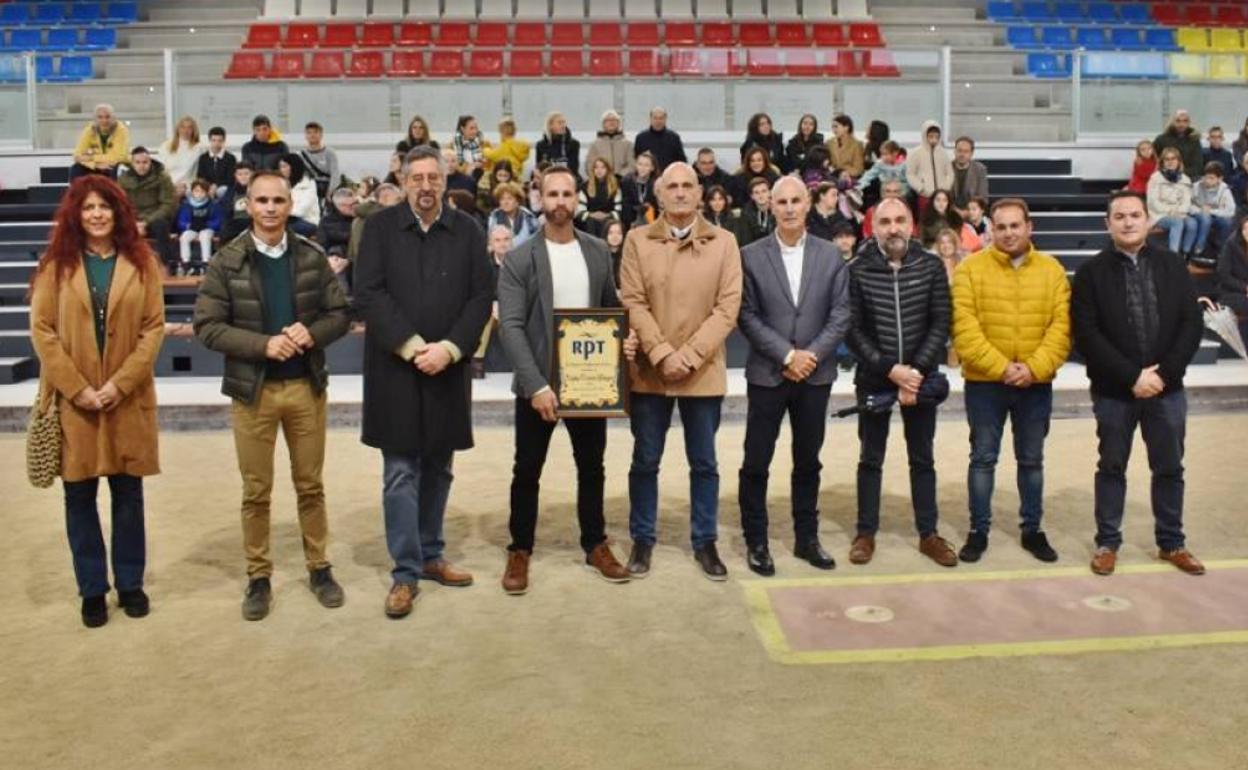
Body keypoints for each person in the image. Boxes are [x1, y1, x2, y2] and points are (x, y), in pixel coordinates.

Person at [193, 170, 352, 621]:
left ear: (289, 205)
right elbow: (207, 326)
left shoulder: (311, 255)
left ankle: (320, 568)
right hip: (253, 394)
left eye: (277, 201)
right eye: (260, 200)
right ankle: (258, 575)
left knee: (311, 486)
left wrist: (311, 332)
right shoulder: (227, 260)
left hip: (305, 386)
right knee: (256, 490)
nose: (269, 208)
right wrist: (261, 345)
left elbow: (339, 314)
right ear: (248, 204)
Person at [353, 146, 494, 618]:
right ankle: (405, 571)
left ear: (445, 178)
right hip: (396, 368)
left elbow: (481, 296)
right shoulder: (378, 229)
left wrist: (450, 349)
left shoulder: (469, 230)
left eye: (435, 177)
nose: (427, 186)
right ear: (404, 179)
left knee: (439, 467)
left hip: (447, 371)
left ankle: (432, 553)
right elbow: (368, 293)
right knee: (400, 473)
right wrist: (414, 347)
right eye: (418, 178)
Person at [29, 175, 165, 628]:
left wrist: (120, 384)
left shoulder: (142, 264)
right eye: (87, 207)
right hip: (76, 401)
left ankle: (130, 583)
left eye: (104, 206)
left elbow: (153, 330)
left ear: (118, 212)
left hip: (127, 398)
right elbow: (43, 331)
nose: (96, 215)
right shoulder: (56, 266)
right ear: (75, 214)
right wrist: (78, 387)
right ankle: (91, 588)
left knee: (128, 493)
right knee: (79, 495)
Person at [496, 166, 632, 594]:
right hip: (539, 385)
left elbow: (610, 309)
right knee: (527, 470)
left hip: (588, 384)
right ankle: (520, 549)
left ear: (577, 200)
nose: (559, 201)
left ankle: (595, 543)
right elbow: (511, 327)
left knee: (592, 468)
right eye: (551, 194)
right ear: (539, 199)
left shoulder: (595, 250)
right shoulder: (520, 258)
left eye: (566, 193)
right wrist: (536, 385)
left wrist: (623, 340)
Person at [618, 162, 743, 581]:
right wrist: (660, 353)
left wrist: (686, 356)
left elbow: (728, 309)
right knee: (645, 461)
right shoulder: (636, 241)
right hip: (651, 373)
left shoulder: (725, 242)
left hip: (702, 371)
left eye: (688, 185)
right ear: (658, 194)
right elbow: (633, 301)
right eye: (671, 185)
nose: (680, 192)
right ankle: (642, 538)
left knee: (704, 462)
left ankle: (705, 541)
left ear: (700, 193)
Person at [1071, 191, 1204, 577]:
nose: (1128, 222)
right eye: (1119, 216)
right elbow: (1087, 336)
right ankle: (1107, 543)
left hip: (1167, 390)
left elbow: (1190, 324)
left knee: (1169, 468)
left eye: (1135, 215)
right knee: (1111, 466)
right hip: (1115, 392)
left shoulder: (1172, 266)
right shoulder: (1090, 274)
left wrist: (1162, 375)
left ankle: (1172, 543)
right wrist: (1132, 377)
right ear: (1107, 224)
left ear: (1148, 220)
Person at [737, 177, 851, 576]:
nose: (788, 208)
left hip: (814, 377)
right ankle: (757, 541)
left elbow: (840, 314)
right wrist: (787, 355)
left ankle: (807, 539)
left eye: (795, 201)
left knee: (808, 462)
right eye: (780, 200)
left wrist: (811, 356)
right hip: (768, 373)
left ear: (808, 205)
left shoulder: (830, 255)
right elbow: (746, 315)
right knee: (756, 462)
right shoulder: (749, 256)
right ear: (771, 205)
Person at [951, 198, 1072, 563]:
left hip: (1035, 384)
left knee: (1032, 460)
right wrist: (1002, 367)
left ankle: (1032, 529)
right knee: (983, 459)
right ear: (991, 230)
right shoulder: (969, 269)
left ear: (1029, 227)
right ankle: (978, 530)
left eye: (1015, 225)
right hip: (985, 383)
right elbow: (964, 328)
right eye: (1000, 227)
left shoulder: (1052, 271)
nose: (1008, 233)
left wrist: (1032, 368)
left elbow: (1061, 328)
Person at [845, 198, 956, 567]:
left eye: (900, 220)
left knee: (922, 458)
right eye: (885, 221)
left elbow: (941, 321)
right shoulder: (857, 269)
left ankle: (928, 534)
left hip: (921, 378)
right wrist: (891, 370)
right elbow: (853, 330)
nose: (893, 228)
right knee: (870, 459)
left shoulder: (931, 266)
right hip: (875, 377)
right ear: (872, 227)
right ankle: (865, 533)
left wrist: (914, 375)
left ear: (912, 224)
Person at [117, 147, 177, 273]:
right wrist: (133, 222)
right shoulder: (123, 180)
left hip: (155, 217)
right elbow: (120, 205)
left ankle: (164, 265)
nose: (141, 166)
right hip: (132, 219)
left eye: (145, 162)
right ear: (132, 163)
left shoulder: (162, 177)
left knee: (161, 225)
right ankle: (121, 267)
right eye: (137, 162)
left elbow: (168, 204)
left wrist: (146, 222)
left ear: (150, 162)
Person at [1147, 147, 1194, 257]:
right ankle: (1173, 257)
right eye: (1167, 159)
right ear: (1162, 162)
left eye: (1173, 158)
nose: (1170, 162)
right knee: (1176, 222)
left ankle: (1185, 254)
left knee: (1193, 224)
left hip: (1180, 213)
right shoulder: (1155, 178)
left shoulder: (1185, 179)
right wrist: (1170, 211)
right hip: (1160, 214)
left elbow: (1187, 201)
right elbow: (1153, 202)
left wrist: (1179, 211)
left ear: (1178, 161)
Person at [173, 178, 222, 275]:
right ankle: (185, 263)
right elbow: (181, 221)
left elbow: (218, 220)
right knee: (184, 237)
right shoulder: (186, 204)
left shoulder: (213, 204)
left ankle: (206, 263)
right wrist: (189, 225)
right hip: (192, 228)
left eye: (202, 191)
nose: (199, 194)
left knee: (204, 236)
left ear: (207, 192)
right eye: (196, 191)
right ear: (192, 192)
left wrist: (207, 225)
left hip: (207, 229)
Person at [1188, 161, 1236, 259]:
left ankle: (1222, 252)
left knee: (1227, 222)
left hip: (1215, 215)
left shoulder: (1224, 190)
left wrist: (1210, 211)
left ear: (1220, 179)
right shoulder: (1196, 186)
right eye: (1206, 177)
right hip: (1198, 214)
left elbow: (1230, 211)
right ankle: (1198, 249)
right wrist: (1201, 211)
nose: (1207, 180)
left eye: (1211, 178)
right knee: (1205, 219)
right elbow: (1188, 204)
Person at [905, 120, 954, 215]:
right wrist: (921, 188)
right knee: (925, 219)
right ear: (925, 135)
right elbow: (910, 174)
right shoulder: (916, 153)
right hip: (925, 196)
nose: (934, 140)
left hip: (941, 197)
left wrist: (946, 188)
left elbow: (950, 173)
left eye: (936, 137)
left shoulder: (943, 153)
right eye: (931, 136)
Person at [70, 104, 130, 180]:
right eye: (100, 117)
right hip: (96, 166)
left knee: (117, 168)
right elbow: (77, 156)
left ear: (113, 118)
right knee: (76, 168)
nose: (104, 120)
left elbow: (119, 157)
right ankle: (78, 191)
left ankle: (113, 191)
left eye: (107, 117)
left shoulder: (121, 130)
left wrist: (91, 157)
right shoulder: (89, 130)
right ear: (95, 119)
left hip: (113, 166)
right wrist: (96, 165)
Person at [347, 182, 402, 264]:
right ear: (385, 197)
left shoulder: (360, 218)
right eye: (397, 198)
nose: (401, 201)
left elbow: (352, 253)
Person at [318, 186, 357, 294]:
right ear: (341, 206)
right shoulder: (328, 221)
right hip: (338, 258)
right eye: (351, 205)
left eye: (356, 203)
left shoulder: (360, 218)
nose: (355, 207)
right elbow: (322, 244)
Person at [156, 115, 205, 195]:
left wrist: (186, 186)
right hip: (168, 186)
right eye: (182, 127)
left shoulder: (199, 148)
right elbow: (160, 170)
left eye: (189, 128)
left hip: (188, 188)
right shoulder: (166, 146)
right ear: (178, 129)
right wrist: (172, 186)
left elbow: (199, 174)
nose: (186, 130)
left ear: (194, 130)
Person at [575, 157, 621, 237]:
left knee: (607, 223)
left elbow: (619, 211)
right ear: (593, 170)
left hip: (609, 219)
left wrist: (606, 215)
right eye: (596, 167)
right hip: (589, 221)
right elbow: (579, 212)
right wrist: (592, 215)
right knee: (591, 222)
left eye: (602, 167)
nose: (599, 170)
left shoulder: (615, 187)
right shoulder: (584, 187)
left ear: (608, 169)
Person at [1153, 109, 1203, 181]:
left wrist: (1179, 173)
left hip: (1188, 178)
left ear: (1189, 123)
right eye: (1178, 121)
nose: (1181, 124)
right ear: (1173, 122)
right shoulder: (1161, 139)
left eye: (1185, 121)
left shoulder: (1194, 140)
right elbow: (1153, 159)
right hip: (1165, 177)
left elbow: (1198, 166)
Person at [278, 153, 321, 237]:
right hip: (287, 219)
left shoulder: (308, 184)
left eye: (284, 166)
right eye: (280, 167)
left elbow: (300, 211)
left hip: (308, 222)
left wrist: (279, 212)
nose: (281, 170)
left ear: (293, 167)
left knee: (277, 228)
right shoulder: (282, 184)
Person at [633, 107, 687, 172]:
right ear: (650, 119)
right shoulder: (641, 138)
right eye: (655, 118)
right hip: (648, 178)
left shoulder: (674, 138)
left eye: (661, 118)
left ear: (665, 119)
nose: (658, 121)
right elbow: (636, 159)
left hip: (668, 176)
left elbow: (681, 161)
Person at [487, 181, 540, 247]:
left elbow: (537, 243)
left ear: (517, 201)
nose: (505, 202)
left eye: (510, 198)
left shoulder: (528, 217)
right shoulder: (494, 217)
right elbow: (491, 243)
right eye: (502, 199)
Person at [586, 109, 634, 179]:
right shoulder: (595, 145)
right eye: (608, 120)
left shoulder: (627, 144)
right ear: (603, 124)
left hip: (622, 182)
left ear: (618, 123)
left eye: (614, 120)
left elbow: (632, 164)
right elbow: (590, 165)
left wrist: (620, 176)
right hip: (602, 182)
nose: (611, 122)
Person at [1216, 216, 1248, 319]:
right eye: (1246, 229)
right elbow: (1223, 275)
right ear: (1241, 230)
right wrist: (1245, 288)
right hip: (1232, 291)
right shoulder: (1231, 245)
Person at [300, 121, 340, 204]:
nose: (312, 135)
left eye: (315, 132)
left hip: (326, 189)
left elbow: (335, 175)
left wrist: (330, 193)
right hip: (309, 191)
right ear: (305, 136)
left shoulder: (330, 153)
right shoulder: (301, 155)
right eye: (309, 133)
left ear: (321, 134)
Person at [534, 111, 581, 177]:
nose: (563, 125)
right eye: (559, 123)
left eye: (564, 122)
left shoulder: (573, 144)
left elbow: (573, 168)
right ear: (550, 126)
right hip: (547, 178)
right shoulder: (541, 145)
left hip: (567, 178)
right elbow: (539, 167)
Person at [950, 136, 989, 216]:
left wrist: (969, 212)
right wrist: (955, 211)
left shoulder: (980, 170)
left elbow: (983, 198)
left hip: (973, 213)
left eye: (966, 151)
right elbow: (943, 195)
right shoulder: (947, 168)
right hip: (951, 212)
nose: (962, 154)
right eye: (959, 150)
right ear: (954, 151)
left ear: (971, 153)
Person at [197, 126, 237, 199]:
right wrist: (210, 186)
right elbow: (200, 176)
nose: (216, 143)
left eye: (219, 140)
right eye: (214, 140)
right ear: (209, 140)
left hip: (222, 188)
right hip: (207, 187)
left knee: (222, 190)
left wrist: (216, 185)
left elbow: (230, 178)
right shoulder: (203, 158)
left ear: (224, 141)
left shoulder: (230, 158)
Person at [620, 151, 658, 229]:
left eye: (646, 165)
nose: (642, 168)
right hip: (632, 221)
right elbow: (626, 205)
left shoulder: (657, 183)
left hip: (652, 220)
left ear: (652, 168)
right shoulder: (627, 182)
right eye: (640, 164)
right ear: (636, 165)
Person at [220, 161, 254, 242]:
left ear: (252, 174)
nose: (243, 177)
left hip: (252, 222)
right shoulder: (231, 191)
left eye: (246, 174)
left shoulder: (258, 189)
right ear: (235, 176)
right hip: (234, 224)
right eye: (240, 174)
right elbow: (226, 210)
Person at [825, 113, 865, 181]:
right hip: (832, 176)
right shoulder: (829, 143)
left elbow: (858, 169)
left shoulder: (857, 145)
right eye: (832, 127)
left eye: (836, 126)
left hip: (850, 178)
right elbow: (827, 163)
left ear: (846, 127)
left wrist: (844, 172)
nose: (834, 130)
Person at [739, 176, 776, 246]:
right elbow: (746, 239)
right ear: (752, 196)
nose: (761, 195)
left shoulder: (777, 209)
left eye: (764, 191)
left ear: (770, 193)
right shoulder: (746, 212)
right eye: (756, 193)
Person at [452, 114, 490, 180]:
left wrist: (484, 162)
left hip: (482, 178)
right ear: (462, 129)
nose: (475, 131)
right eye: (471, 128)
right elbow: (457, 166)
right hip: (463, 179)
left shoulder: (483, 142)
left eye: (476, 128)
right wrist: (472, 166)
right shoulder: (454, 145)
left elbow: (489, 164)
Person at [604, 218, 625, 285]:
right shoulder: (600, 257)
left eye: (619, 233)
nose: (615, 236)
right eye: (611, 233)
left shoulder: (628, 257)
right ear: (605, 235)